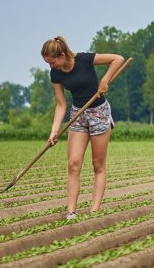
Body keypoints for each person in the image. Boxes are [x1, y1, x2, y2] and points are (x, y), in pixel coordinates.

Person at [41, 36, 125, 220]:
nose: (51, 66)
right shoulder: (56, 74)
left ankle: (94, 211)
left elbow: (118, 59)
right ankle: (71, 212)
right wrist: (54, 130)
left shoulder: (84, 60)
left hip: (98, 112)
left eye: (52, 61)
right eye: (48, 63)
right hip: (78, 115)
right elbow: (61, 104)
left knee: (98, 165)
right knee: (73, 164)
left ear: (62, 55)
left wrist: (105, 81)